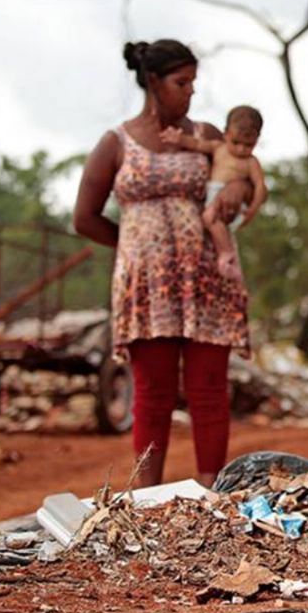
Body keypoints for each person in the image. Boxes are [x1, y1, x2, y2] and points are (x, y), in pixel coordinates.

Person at [73, 39, 250, 488]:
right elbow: (84, 217)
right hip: (147, 286)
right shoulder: (116, 143)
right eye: (181, 82)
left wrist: (236, 189)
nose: (191, 92)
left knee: (208, 389)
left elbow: (243, 174)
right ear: (153, 82)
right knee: (153, 392)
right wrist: (135, 247)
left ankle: (212, 493)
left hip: (206, 279)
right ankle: (146, 498)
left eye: (193, 83)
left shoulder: (206, 136)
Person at [161, 104, 268, 280]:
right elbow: (197, 144)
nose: (241, 149)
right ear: (226, 134)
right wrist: (179, 139)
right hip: (213, 193)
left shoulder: (251, 162)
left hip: (228, 202)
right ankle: (225, 253)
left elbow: (260, 187)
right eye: (236, 142)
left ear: (257, 139)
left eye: (249, 145)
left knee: (209, 217)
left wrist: (252, 210)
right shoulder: (219, 148)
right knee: (211, 221)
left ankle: (227, 254)